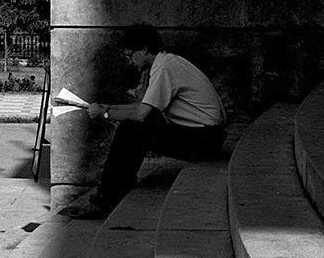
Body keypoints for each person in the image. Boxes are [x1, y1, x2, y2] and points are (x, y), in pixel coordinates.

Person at [65, 24, 227, 220]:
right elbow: (143, 107)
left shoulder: (163, 68)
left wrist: (106, 114)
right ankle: (115, 190)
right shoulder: (168, 62)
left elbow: (141, 114)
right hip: (207, 137)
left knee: (131, 129)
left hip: (204, 140)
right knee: (134, 126)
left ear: (143, 49)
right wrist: (106, 107)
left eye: (130, 55)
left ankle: (105, 199)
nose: (129, 61)